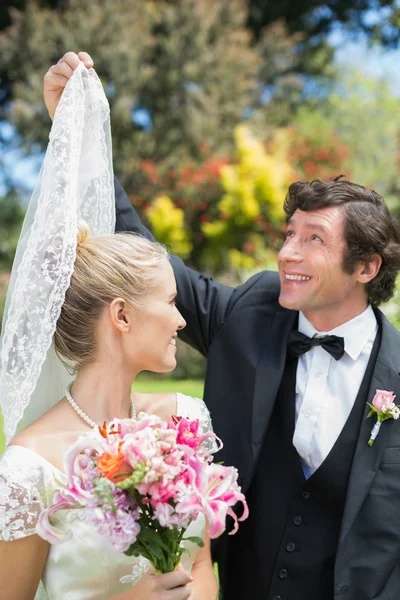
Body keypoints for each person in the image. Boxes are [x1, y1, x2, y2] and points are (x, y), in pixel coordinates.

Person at [45, 54, 400, 600]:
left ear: (366, 266)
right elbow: (141, 255)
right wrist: (78, 135)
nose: (287, 253)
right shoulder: (251, 313)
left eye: (313, 240)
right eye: (289, 233)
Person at [0, 61, 218, 600]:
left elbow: (204, 568)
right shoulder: (31, 466)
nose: (182, 318)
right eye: (169, 302)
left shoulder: (185, 423)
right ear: (121, 316)